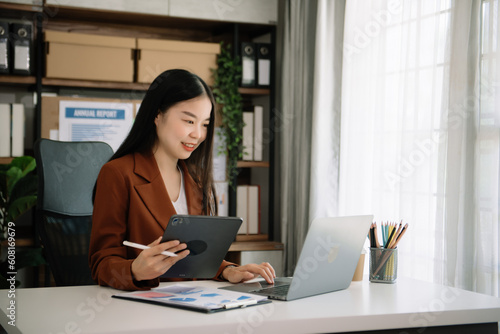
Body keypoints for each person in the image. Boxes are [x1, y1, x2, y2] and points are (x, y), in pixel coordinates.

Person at [89, 69, 276, 291]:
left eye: (205, 124)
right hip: (142, 308)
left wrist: (227, 270)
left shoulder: (197, 180)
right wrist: (134, 270)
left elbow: (195, 257)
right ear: (157, 115)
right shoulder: (118, 173)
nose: (198, 134)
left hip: (193, 303)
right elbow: (102, 264)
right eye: (189, 121)